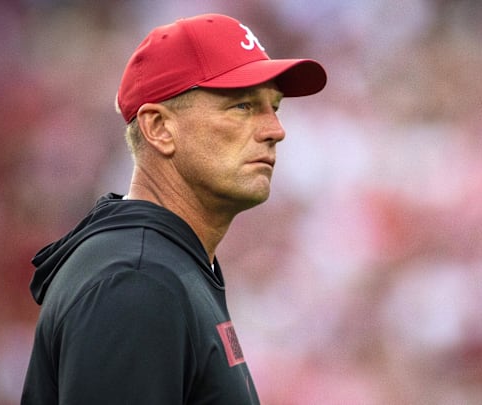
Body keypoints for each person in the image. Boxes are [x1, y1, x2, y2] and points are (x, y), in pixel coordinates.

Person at [21, 13, 326, 404]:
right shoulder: (137, 281)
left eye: (275, 107)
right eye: (243, 106)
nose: (275, 130)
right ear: (159, 128)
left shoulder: (159, 264)